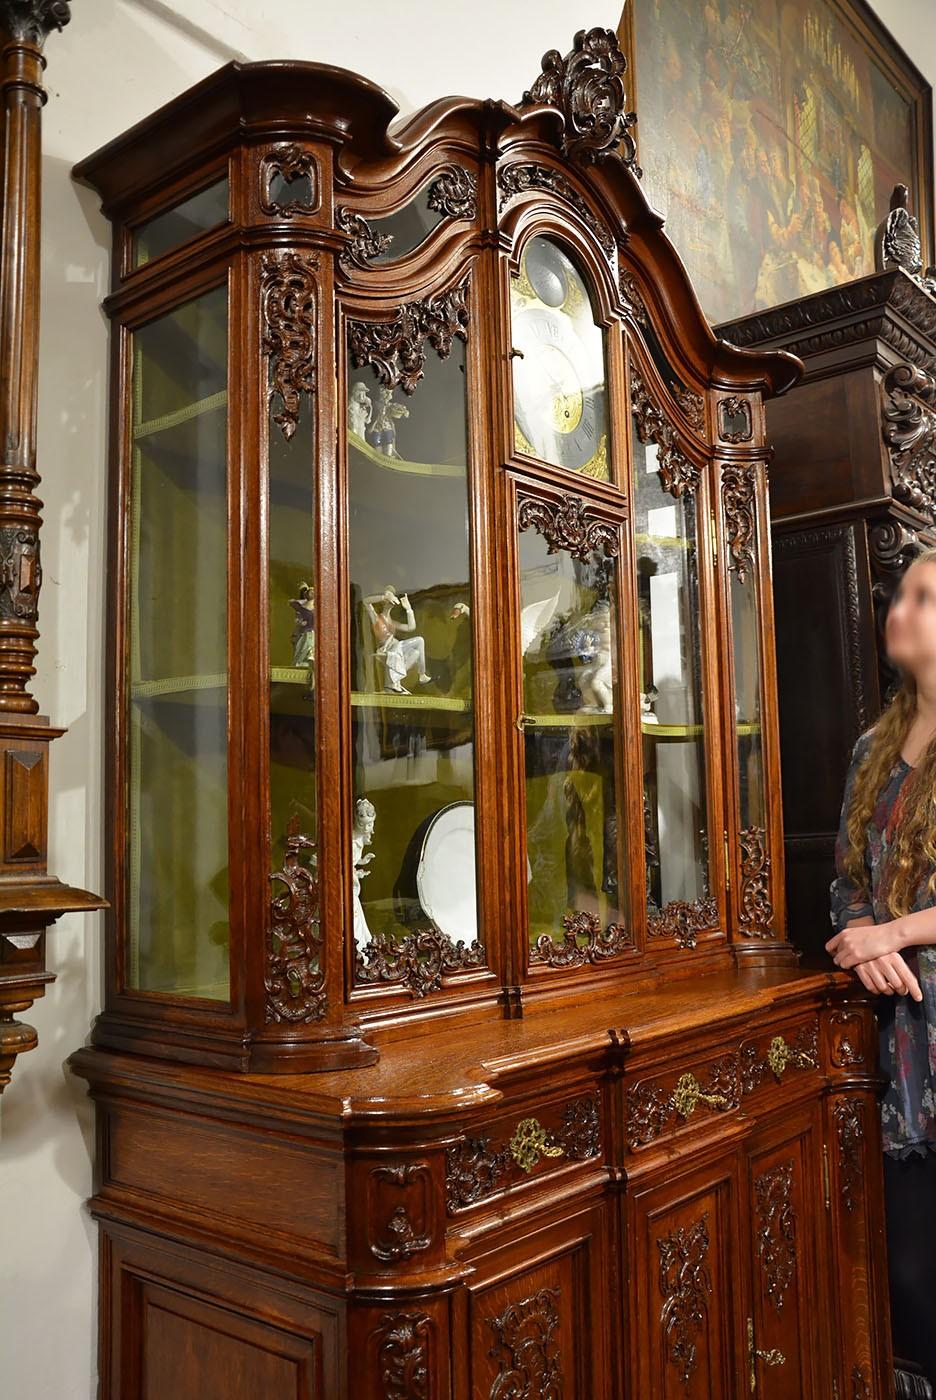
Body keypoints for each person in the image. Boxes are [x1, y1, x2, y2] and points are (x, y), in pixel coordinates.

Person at [826, 544, 936, 1388]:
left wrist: (892, 938)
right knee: (908, 1281)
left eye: (921, 597)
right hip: (894, 1046)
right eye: (901, 594)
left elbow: (883, 928)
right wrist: (862, 938)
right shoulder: (874, 745)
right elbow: (845, 885)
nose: (897, 609)